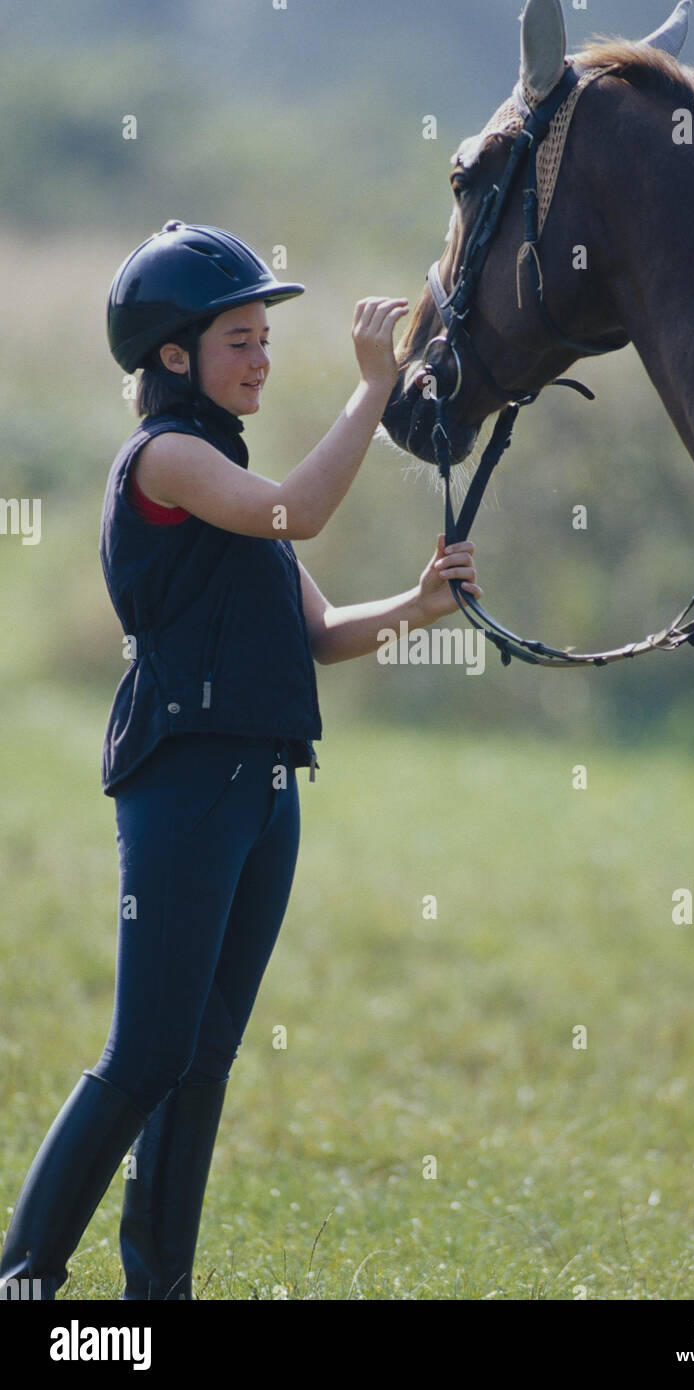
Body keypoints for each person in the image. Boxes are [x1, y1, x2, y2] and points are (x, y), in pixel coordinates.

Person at [0, 219, 480, 1301]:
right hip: (185, 790)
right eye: (240, 340)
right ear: (174, 355)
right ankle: (24, 1282)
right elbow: (301, 512)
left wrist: (419, 603)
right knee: (144, 1056)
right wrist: (375, 387)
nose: (263, 357)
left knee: (200, 1059)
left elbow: (317, 631)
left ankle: (155, 1295)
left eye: (266, 337)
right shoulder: (169, 459)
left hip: (264, 792)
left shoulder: (224, 470)